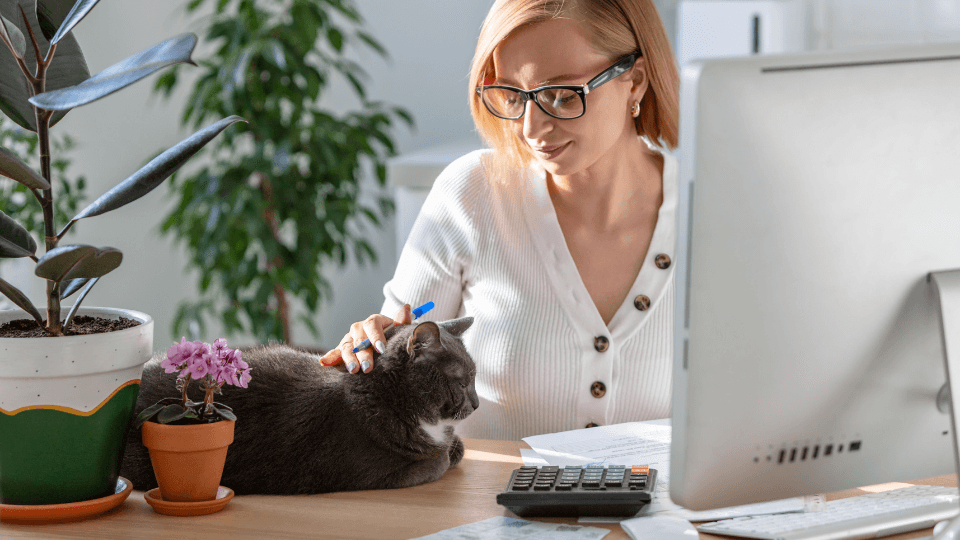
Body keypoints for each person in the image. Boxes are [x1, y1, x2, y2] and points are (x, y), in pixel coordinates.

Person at [319, 0, 680, 441]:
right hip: (483, 507)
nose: (531, 130)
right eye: (512, 96)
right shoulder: (473, 194)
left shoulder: (713, 209)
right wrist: (373, 346)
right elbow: (398, 365)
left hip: (664, 510)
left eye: (562, 96)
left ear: (635, 80)